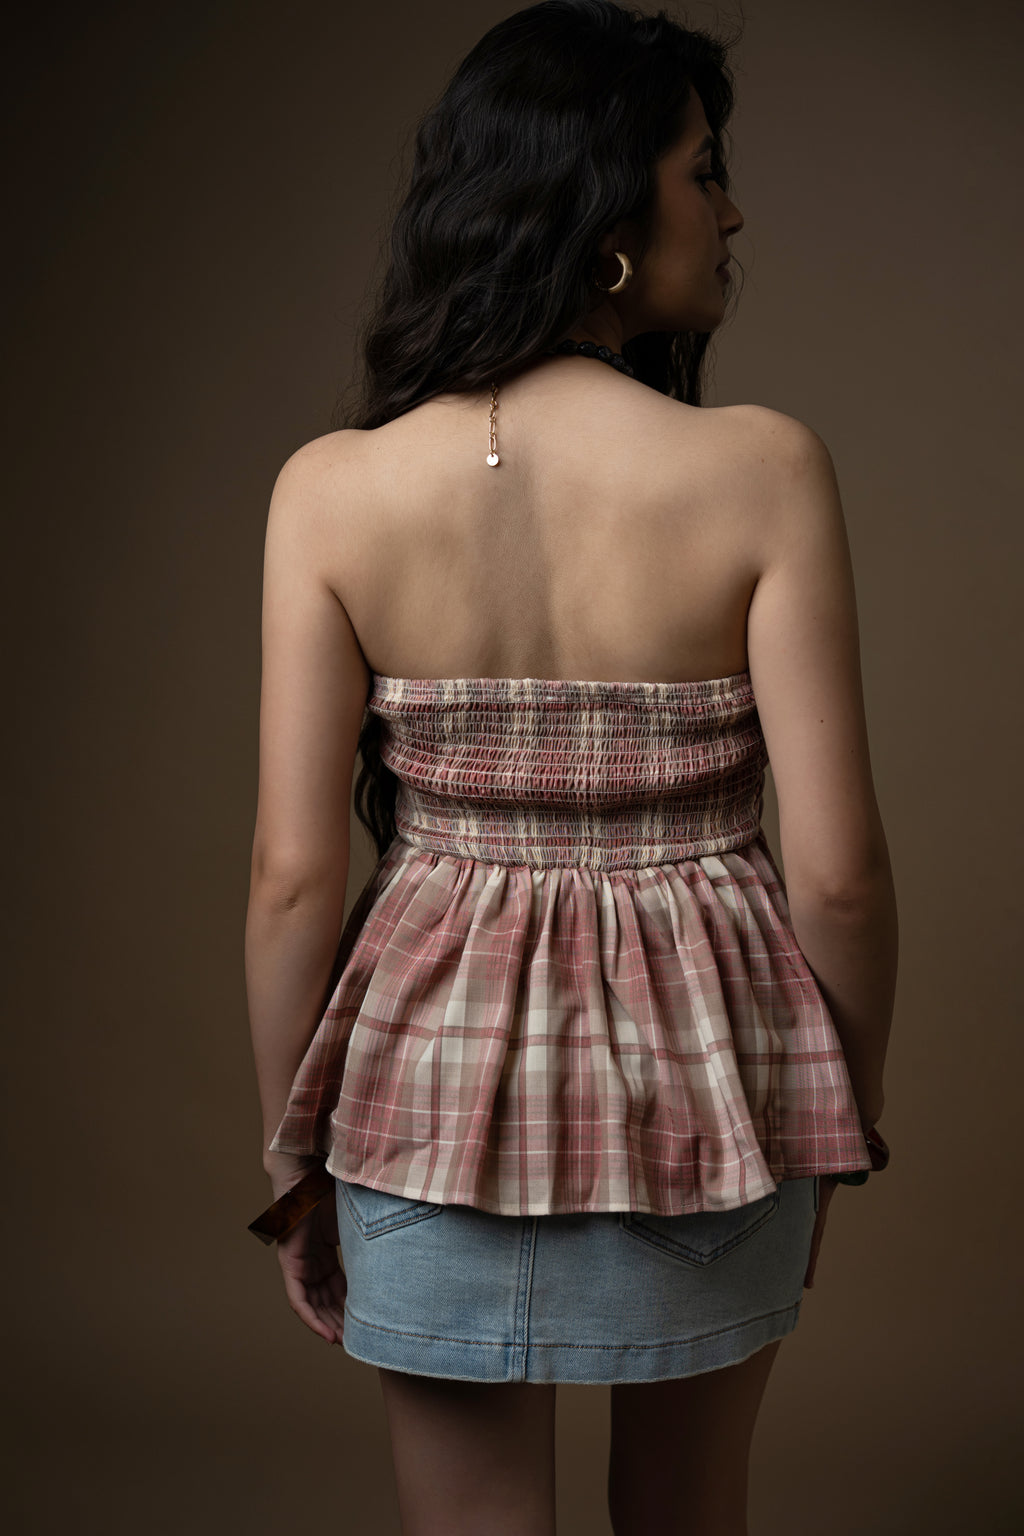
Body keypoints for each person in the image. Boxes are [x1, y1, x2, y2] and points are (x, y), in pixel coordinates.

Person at [244, 3, 898, 1532]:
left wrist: (294, 1157)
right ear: (605, 210)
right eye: (701, 170)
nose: (731, 210)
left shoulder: (330, 491)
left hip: (419, 1092)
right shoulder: (760, 467)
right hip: (715, 1089)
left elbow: (291, 879)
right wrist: (837, 1123)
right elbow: (843, 874)